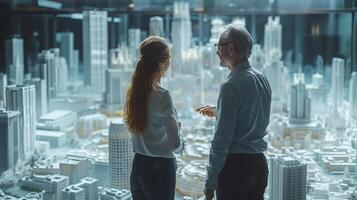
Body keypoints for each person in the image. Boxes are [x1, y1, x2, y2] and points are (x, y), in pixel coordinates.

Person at [197, 25, 272, 200]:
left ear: (230, 49)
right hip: (259, 165)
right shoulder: (262, 78)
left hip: (236, 170)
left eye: (219, 47)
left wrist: (210, 182)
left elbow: (221, 141)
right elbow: (251, 112)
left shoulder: (230, 87)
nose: (217, 52)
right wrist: (220, 111)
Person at [124, 36, 184, 200]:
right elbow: (175, 145)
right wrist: (180, 135)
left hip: (138, 167)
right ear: (163, 63)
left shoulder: (133, 92)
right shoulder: (163, 95)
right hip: (160, 169)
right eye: (169, 57)